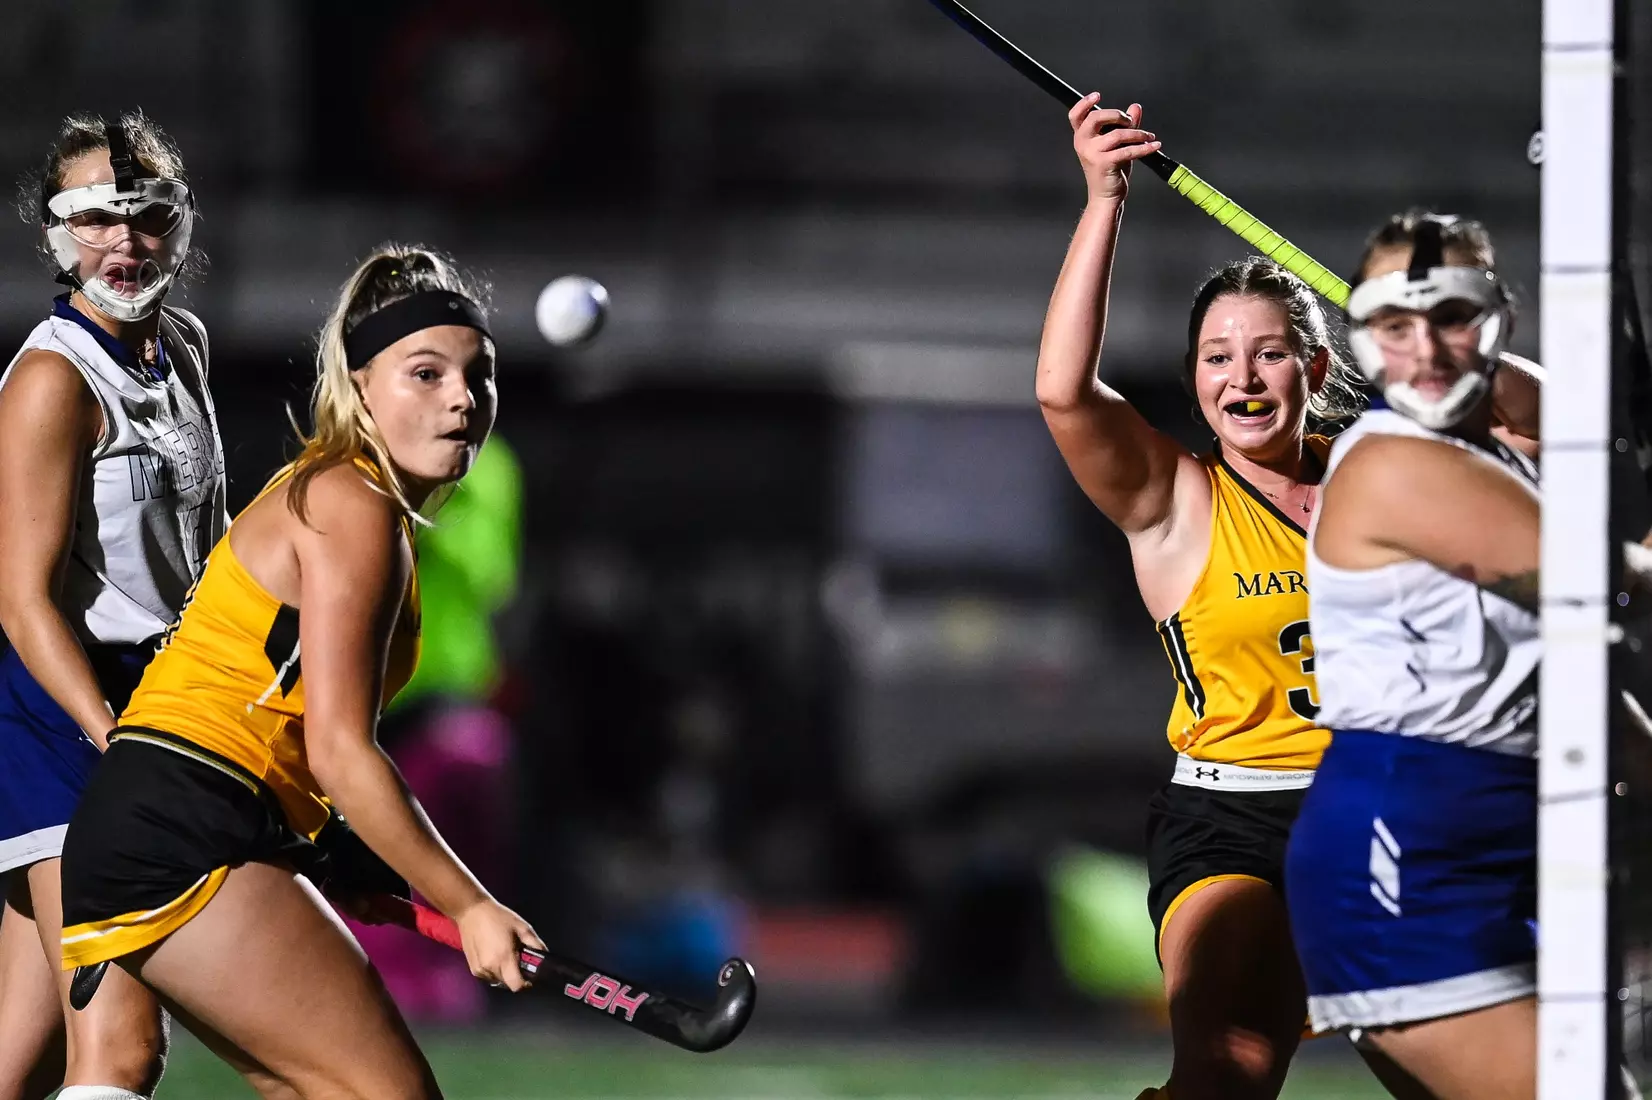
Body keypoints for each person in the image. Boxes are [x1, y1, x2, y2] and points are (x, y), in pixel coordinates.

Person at [55, 244, 544, 1098]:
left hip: (162, 818)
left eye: (479, 377)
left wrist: (333, 849)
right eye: (425, 373)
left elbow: (278, 719)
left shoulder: (341, 497)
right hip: (188, 822)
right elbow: (340, 750)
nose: (463, 398)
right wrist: (470, 906)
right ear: (360, 387)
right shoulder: (354, 504)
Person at [1036, 96, 1365, 1100]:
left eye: (1267, 351)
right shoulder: (1175, 496)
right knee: (1225, 1069)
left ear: (1312, 367)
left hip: (1389, 809)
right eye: (1216, 357)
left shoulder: (1390, 475)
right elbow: (1062, 390)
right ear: (1191, 379)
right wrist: (1102, 200)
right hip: (1234, 824)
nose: (1242, 376)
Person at [1283, 212, 1555, 1100]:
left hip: (1505, 841)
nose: (1428, 350)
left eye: (1454, 318)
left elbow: (1570, 418)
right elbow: (1608, 582)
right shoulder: (1394, 462)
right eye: (1396, 328)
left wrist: (1457, 347)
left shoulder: (1496, 451)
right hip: (1407, 854)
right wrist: (1459, 341)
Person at [0, 111, 223, 1100]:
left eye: (146, 214)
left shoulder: (183, 344)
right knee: (122, 1048)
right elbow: (20, 598)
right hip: (67, 718)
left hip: (157, 704)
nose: (123, 240)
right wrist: (107, 729)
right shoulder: (53, 378)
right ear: (53, 229)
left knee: (26, 1055)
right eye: (95, 216)